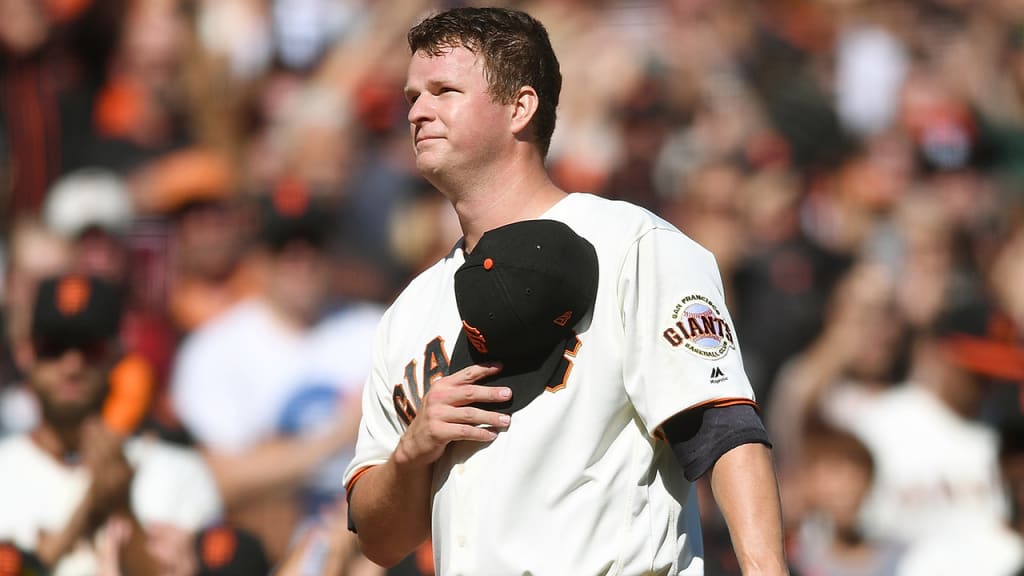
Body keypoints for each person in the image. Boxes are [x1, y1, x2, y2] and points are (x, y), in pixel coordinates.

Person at [342, 7, 788, 575]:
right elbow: (380, 542)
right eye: (412, 96)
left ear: (520, 107)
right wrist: (413, 451)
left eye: (444, 90)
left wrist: (765, 569)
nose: (418, 111)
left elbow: (723, 429)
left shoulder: (634, 246)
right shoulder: (408, 313)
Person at [169, 181, 385, 569]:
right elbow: (220, 481)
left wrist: (271, 458)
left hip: (368, 548)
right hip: (263, 556)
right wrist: (339, 433)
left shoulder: (378, 329)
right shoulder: (214, 349)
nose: (300, 261)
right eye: (283, 247)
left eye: (311, 245)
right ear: (258, 258)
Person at [0, 273, 222, 575]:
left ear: (118, 356)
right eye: (53, 346)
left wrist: (121, 507)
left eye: (91, 348)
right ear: (26, 354)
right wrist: (87, 509)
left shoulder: (179, 471)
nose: (72, 364)